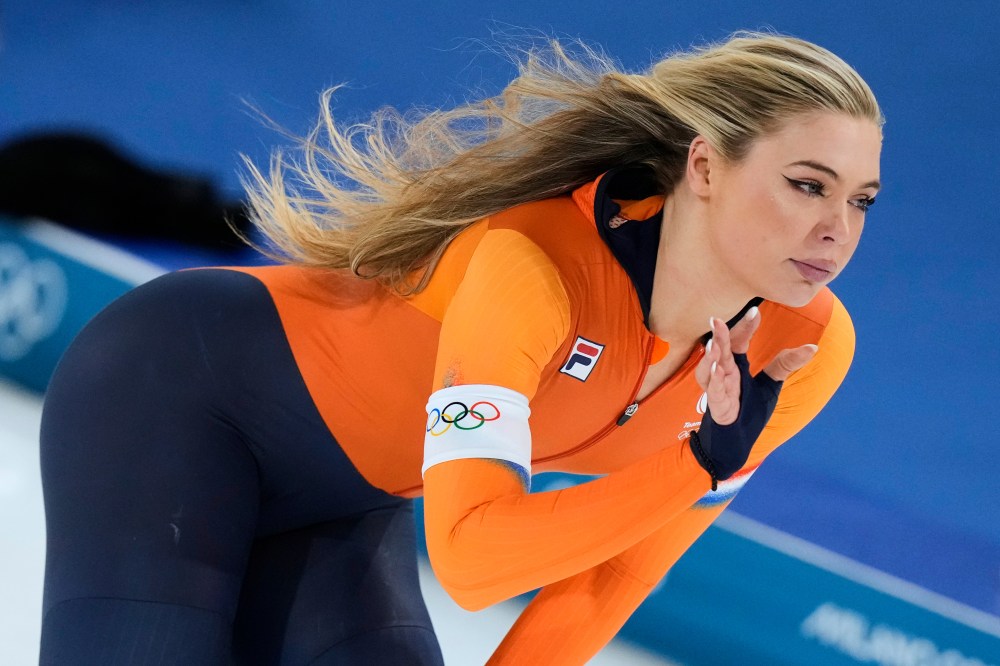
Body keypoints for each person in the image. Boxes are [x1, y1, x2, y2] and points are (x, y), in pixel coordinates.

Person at [38, 31, 883, 665]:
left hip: (343, 505)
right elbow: (472, 560)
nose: (836, 230)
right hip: (179, 398)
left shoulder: (803, 344)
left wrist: (696, 471)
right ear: (703, 168)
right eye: (808, 185)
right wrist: (695, 465)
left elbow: (612, 572)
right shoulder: (536, 268)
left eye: (861, 200)